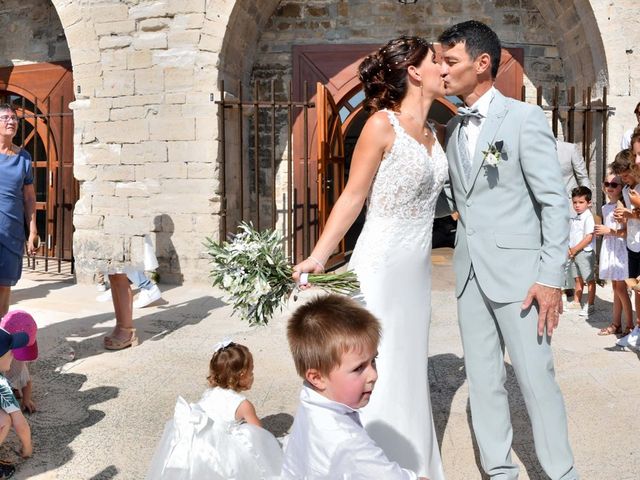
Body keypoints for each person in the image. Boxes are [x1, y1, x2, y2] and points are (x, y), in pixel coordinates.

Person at [292, 35, 447, 478]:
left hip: (415, 271)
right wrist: (319, 257)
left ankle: (408, 460)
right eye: (437, 60)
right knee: (376, 360)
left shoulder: (436, 131)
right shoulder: (382, 124)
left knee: (407, 362)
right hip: (380, 264)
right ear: (414, 72)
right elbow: (352, 197)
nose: (445, 67)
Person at [437, 20, 578, 479]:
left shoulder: (523, 118)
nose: (442, 70)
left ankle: (560, 473)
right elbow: (458, 200)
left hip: (522, 277)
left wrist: (550, 276)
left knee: (537, 380)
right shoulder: (453, 130)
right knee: (483, 380)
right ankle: (499, 469)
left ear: (482, 64)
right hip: (469, 275)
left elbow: (554, 202)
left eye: (450, 61)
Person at [283, 294, 428, 480]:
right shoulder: (349, 442)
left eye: (373, 361)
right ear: (317, 377)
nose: (373, 375)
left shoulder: (311, 397)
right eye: (358, 368)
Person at [146, 340, 282, 479]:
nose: (253, 375)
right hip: (215, 451)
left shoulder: (210, 392)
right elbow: (260, 434)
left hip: (194, 444)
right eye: (251, 371)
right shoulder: (243, 404)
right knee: (247, 435)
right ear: (242, 375)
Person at [0, 104, 37, 319]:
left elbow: (29, 197)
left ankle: (1, 335)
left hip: (12, 230)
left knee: (4, 285)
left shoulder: (24, 158)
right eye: (5, 117)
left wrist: (32, 230)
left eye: (14, 118)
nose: (11, 121)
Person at [594, 173, 633, 336]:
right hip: (610, 248)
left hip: (620, 250)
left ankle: (630, 325)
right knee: (616, 288)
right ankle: (616, 323)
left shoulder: (621, 207)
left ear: (621, 188)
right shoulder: (604, 207)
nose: (610, 187)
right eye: (607, 183)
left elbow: (627, 232)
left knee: (621, 288)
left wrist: (608, 231)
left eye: (614, 185)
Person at [612, 134, 640, 349]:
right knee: (635, 288)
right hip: (632, 244)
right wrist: (622, 218)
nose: (624, 180)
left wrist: (631, 214)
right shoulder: (624, 190)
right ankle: (637, 329)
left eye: (626, 175)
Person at [0, 327, 33, 478]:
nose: (14, 354)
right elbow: (20, 423)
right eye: (10, 351)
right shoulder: (1, 384)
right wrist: (27, 448)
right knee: (5, 419)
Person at [0, 310, 38, 414]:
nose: (13, 356)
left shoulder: (17, 362)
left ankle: (13, 387)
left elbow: (26, 381)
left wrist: (26, 399)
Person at [566, 186, 596, 317]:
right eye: (575, 202)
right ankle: (577, 301)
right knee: (577, 278)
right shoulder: (576, 216)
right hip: (574, 252)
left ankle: (590, 304)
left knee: (589, 279)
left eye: (581, 202)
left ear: (589, 203)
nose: (577, 205)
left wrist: (574, 249)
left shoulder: (588, 217)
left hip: (584, 252)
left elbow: (588, 237)